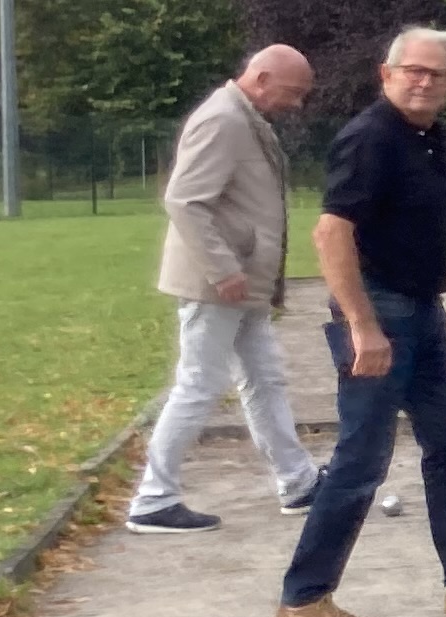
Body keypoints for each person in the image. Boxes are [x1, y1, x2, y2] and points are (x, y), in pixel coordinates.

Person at [274, 28, 446, 617]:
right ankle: (304, 596)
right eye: (413, 71)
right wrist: (363, 327)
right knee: (361, 459)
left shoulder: (426, 137)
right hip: (379, 313)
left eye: (436, 74)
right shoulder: (370, 138)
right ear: (385, 73)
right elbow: (330, 234)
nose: (423, 82)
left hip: (424, 311)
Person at [126, 43, 319, 533]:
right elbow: (185, 200)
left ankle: (298, 481)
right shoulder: (224, 120)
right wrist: (222, 269)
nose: (295, 104)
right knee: (199, 383)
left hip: (241, 280)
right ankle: (153, 498)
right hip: (218, 283)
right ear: (261, 78)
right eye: (292, 93)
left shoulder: (244, 118)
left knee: (264, 377)